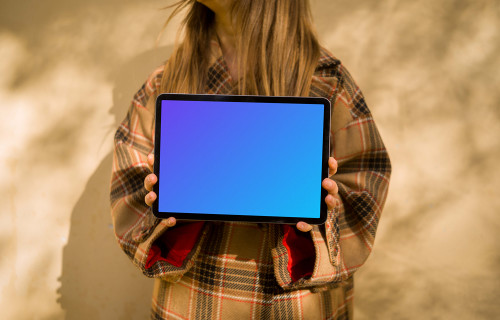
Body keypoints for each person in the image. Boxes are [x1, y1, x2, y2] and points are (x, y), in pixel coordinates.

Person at [110, 0, 391, 318]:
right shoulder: (165, 83)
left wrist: (322, 206)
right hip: (193, 303)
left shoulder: (326, 81)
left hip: (291, 306)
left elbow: (366, 183)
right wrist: (169, 201)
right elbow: (129, 185)